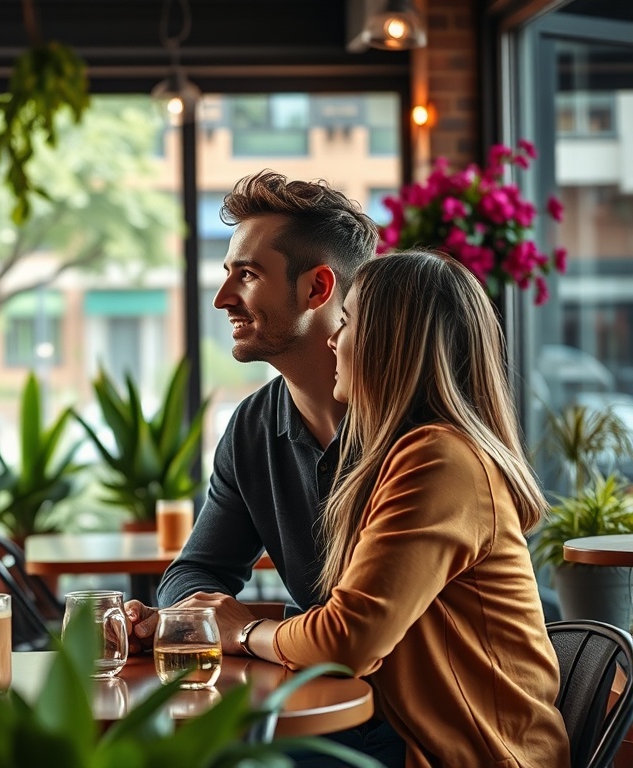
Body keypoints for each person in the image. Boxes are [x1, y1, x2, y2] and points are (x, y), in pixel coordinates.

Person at [171, 251, 570, 767]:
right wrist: (208, 619)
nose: (333, 339)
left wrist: (243, 630)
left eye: (348, 321)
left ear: (391, 343)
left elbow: (346, 640)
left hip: (463, 753)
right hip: (395, 731)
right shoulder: (407, 451)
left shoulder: (439, 459)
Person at [128, 169, 404, 764]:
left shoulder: (413, 430)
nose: (223, 298)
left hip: (415, 725)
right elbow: (195, 570)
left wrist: (245, 625)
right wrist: (195, 617)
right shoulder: (253, 427)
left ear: (317, 288)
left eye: (246, 275)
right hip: (323, 705)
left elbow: (359, 637)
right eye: (227, 274)